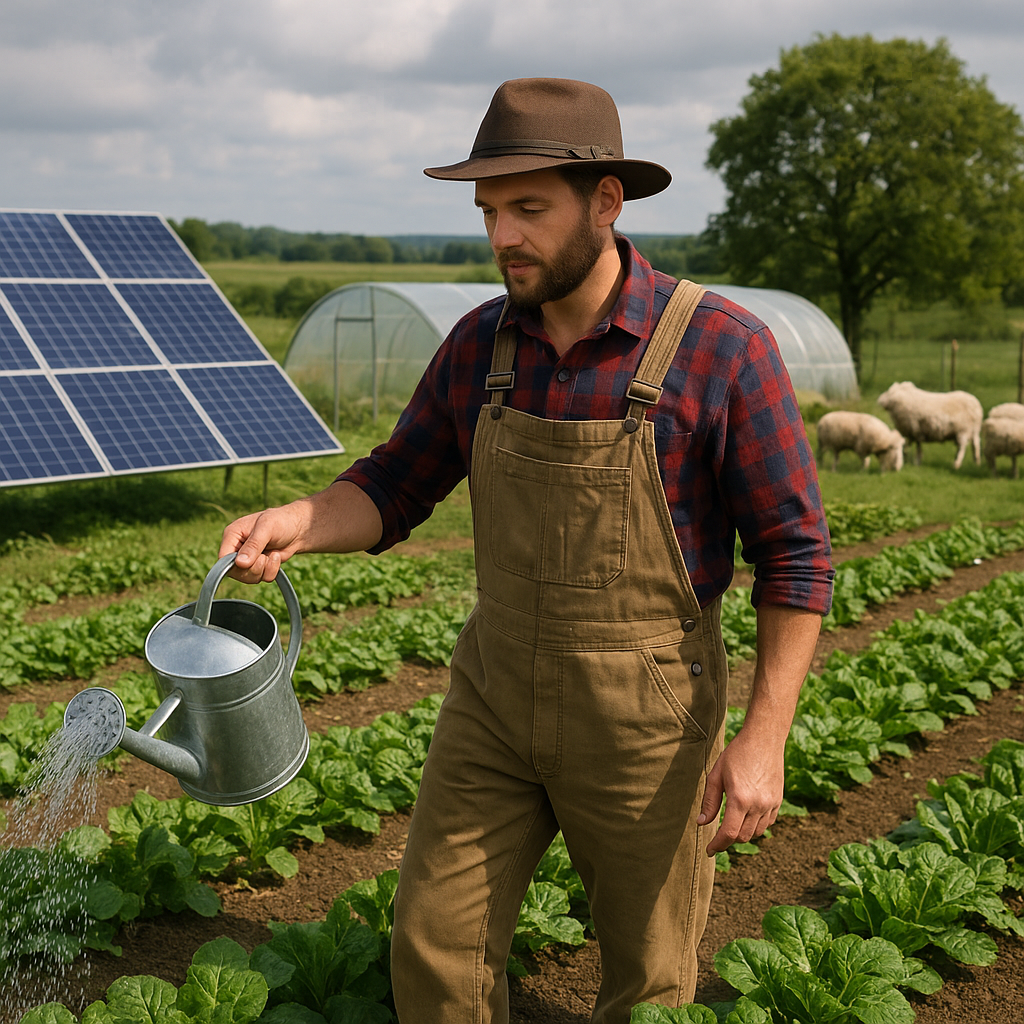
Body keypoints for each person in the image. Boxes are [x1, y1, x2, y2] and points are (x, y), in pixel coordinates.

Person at [220, 78, 833, 1024]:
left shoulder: (722, 350)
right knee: (433, 942)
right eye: (489, 211)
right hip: (495, 697)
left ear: (606, 203)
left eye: (528, 209)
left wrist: (764, 737)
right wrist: (306, 518)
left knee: (649, 976)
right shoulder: (479, 345)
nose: (503, 235)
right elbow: (395, 484)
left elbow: (795, 558)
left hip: (648, 717)